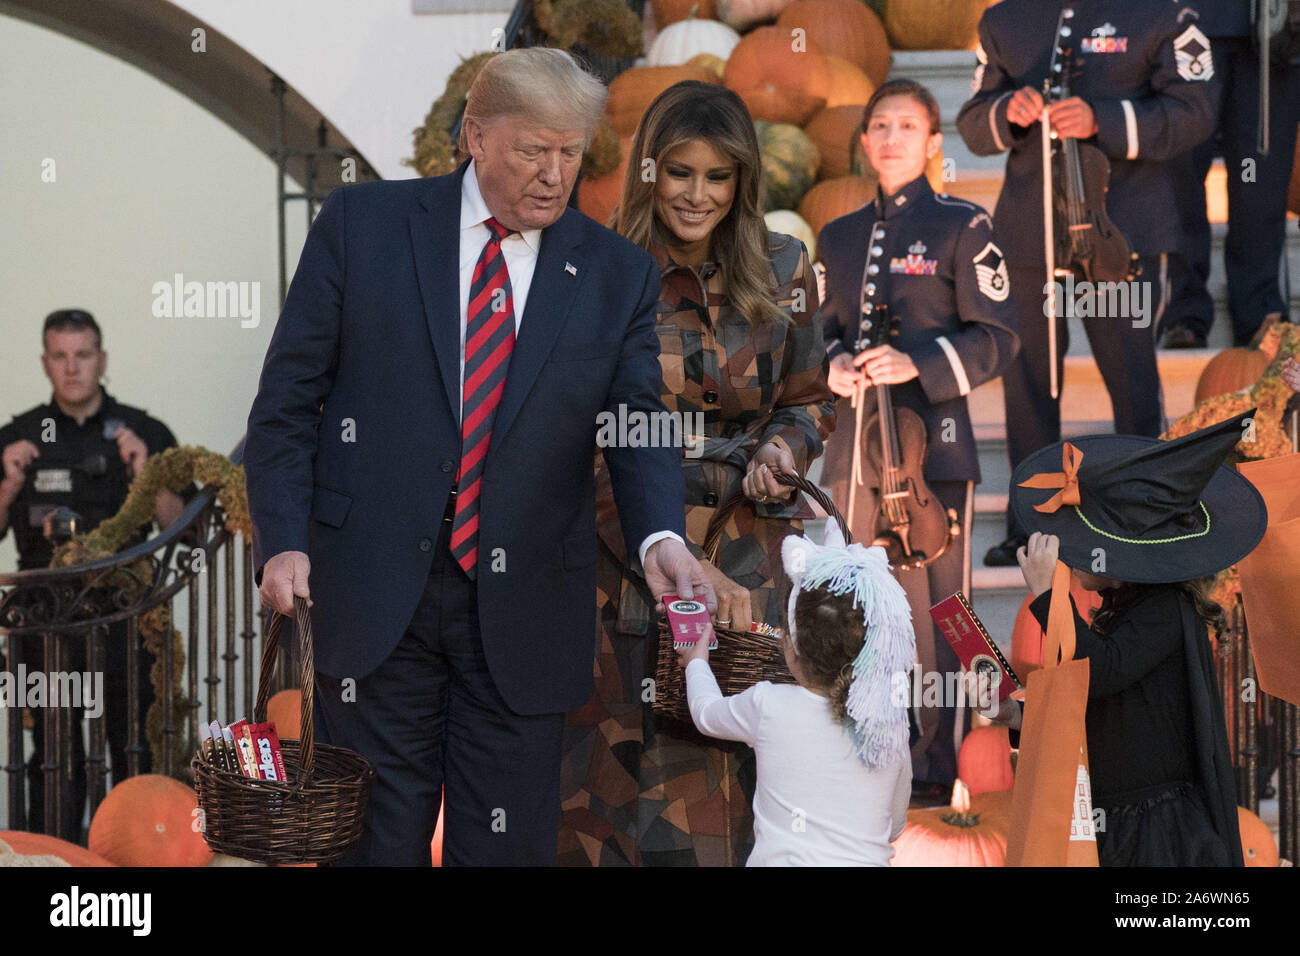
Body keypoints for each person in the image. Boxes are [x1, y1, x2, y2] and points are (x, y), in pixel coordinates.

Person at [242, 48, 714, 867]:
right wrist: (283, 538)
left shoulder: (616, 276)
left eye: (571, 152)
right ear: (475, 134)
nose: (555, 174)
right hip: (372, 595)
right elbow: (286, 405)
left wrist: (660, 539)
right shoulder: (363, 229)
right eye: (534, 149)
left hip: (525, 608)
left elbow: (638, 425)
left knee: (505, 850)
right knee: (374, 847)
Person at [558, 80, 835, 867]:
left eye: (719, 176)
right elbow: (581, 431)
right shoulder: (601, 271)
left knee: (734, 776)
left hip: (751, 567)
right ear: (649, 171)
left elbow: (811, 399)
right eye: (680, 172)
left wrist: (786, 449)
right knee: (612, 784)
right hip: (627, 552)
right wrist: (661, 538)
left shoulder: (786, 268)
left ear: (744, 179)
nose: (698, 194)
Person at [957, 0, 1218, 566]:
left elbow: (1195, 113)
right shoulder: (1004, 18)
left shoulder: (1165, 14)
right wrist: (1009, 109)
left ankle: (1145, 517)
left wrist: (1105, 118)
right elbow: (974, 124)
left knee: (1131, 382)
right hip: (1030, 230)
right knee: (1029, 383)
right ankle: (1031, 526)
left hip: (1121, 232)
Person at [817, 79, 1018, 805]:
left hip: (935, 451)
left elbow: (1000, 339)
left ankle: (936, 768)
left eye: (907, 125)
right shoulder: (835, 237)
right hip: (855, 455)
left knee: (942, 609)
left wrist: (919, 365)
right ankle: (867, 754)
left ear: (935, 144)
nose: (891, 137)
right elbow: (820, 335)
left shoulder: (966, 225)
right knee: (862, 603)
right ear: (865, 140)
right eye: (879, 125)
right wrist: (832, 364)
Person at [994, 409, 1265, 865]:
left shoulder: (1165, 609)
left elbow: (1100, 672)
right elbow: (1093, 704)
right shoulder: (1119, 613)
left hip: (1156, 832)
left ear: (1122, 557)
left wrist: (1047, 597)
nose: (1071, 554)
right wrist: (1016, 714)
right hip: (1116, 822)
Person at [0, 308, 186, 836]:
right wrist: (8, 486)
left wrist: (149, 474)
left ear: (101, 359)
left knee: (135, 745)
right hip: (44, 624)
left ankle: (139, 852)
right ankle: (51, 855)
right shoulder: (17, 435)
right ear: (44, 362)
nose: (72, 367)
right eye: (59, 356)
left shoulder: (143, 430)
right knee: (53, 753)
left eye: (82, 355)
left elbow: (184, 529)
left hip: (128, 619)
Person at [677, 522, 914, 866]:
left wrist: (696, 663)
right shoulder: (888, 727)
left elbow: (705, 714)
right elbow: (893, 826)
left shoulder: (769, 705)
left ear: (790, 648)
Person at [1161, 3, 1300, 349]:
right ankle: (1184, 312)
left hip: (1272, 33)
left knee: (1256, 179)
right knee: (1183, 180)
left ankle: (1260, 314)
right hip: (1183, 26)